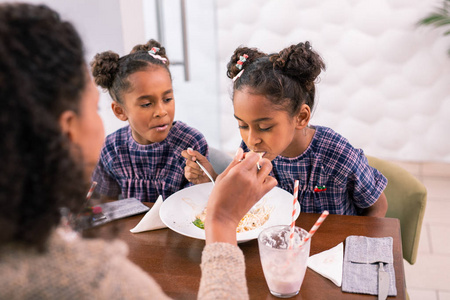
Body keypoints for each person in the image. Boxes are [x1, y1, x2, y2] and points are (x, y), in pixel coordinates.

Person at [0, 3, 276, 299]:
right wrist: (222, 222)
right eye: (93, 107)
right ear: (70, 128)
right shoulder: (102, 283)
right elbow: (100, 203)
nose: (161, 112)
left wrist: (205, 176)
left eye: (167, 99)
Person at [184, 42, 388, 217]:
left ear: (301, 117)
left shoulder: (337, 155)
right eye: (243, 125)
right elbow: (238, 207)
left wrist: (358, 250)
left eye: (264, 127)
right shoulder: (251, 154)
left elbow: (378, 206)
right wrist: (209, 179)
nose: (251, 139)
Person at [90, 39, 208, 203]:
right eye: (146, 104)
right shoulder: (111, 149)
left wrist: (206, 180)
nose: (161, 112)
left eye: (167, 99)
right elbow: (107, 205)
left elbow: (199, 205)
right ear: (120, 111)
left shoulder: (191, 144)